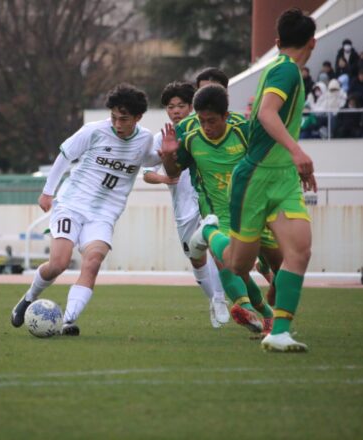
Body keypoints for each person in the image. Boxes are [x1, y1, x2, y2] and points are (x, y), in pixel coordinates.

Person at [199, 8, 317, 352]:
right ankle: (208, 231)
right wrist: (297, 151)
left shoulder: (284, 68)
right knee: (238, 264)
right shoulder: (286, 70)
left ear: (277, 41)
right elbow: (265, 113)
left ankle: (279, 333)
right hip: (255, 177)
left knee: (299, 252)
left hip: (283, 178)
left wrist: (295, 160)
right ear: (313, 42)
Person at [10, 84, 161, 336]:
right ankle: (28, 298)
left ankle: (67, 321)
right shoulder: (94, 131)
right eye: (114, 117)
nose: (117, 124)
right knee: (58, 264)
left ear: (138, 118)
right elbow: (65, 156)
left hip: (105, 213)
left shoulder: (145, 138)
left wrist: (165, 155)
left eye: (124, 119)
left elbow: (147, 159)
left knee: (92, 262)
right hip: (72, 204)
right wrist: (48, 191)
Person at [160, 84, 279, 336]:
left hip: (252, 210)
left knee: (267, 264)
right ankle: (246, 308)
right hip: (216, 214)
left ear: (225, 115)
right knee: (227, 261)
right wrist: (168, 156)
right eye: (201, 120)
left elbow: (268, 163)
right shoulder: (189, 136)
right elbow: (172, 172)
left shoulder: (244, 130)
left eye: (211, 121)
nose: (206, 126)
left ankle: (268, 308)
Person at [143, 81, 229, 328]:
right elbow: (147, 173)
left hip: (208, 202)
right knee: (196, 258)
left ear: (191, 107)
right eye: (171, 107)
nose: (176, 111)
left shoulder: (203, 131)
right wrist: (164, 178)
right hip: (183, 209)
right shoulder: (162, 137)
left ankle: (225, 300)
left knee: (218, 250)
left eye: (181, 105)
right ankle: (215, 300)